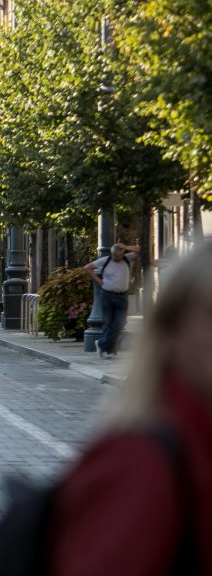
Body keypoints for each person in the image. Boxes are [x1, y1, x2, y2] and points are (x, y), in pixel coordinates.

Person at [45, 240, 212, 574]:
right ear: (169, 334)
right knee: (111, 325)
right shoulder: (141, 463)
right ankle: (103, 345)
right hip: (111, 295)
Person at [84, 242, 140, 358]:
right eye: (115, 256)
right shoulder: (105, 260)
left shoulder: (127, 258)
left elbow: (139, 250)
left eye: (119, 256)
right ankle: (109, 350)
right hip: (107, 295)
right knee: (108, 323)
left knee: (120, 323)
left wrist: (126, 247)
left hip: (122, 296)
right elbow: (87, 268)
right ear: (112, 253)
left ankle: (101, 344)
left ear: (122, 253)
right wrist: (98, 281)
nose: (117, 258)